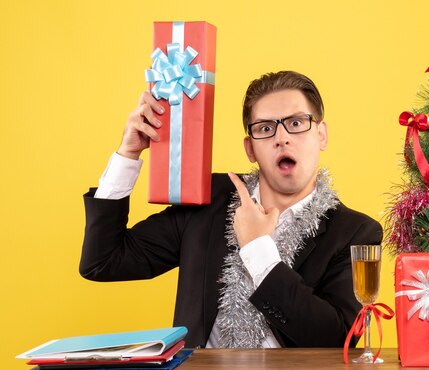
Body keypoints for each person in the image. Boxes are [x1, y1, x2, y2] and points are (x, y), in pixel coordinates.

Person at [80, 71, 382, 349]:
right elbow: (103, 261)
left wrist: (258, 248)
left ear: (321, 135)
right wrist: (128, 153)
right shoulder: (208, 199)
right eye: (265, 128)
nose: (282, 138)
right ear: (250, 148)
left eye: (296, 123)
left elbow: (335, 340)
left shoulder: (355, 233)